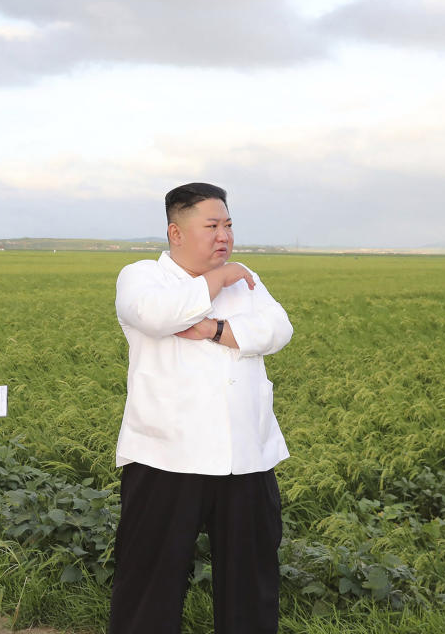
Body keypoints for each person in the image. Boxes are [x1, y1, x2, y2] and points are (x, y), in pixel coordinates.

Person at [108, 182, 293, 634]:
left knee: (251, 584)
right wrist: (217, 280)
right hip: (166, 457)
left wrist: (215, 329)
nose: (224, 237)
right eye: (211, 226)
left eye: (228, 225)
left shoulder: (247, 280)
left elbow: (278, 328)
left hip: (246, 456)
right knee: (150, 580)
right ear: (176, 233)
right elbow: (157, 315)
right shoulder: (141, 276)